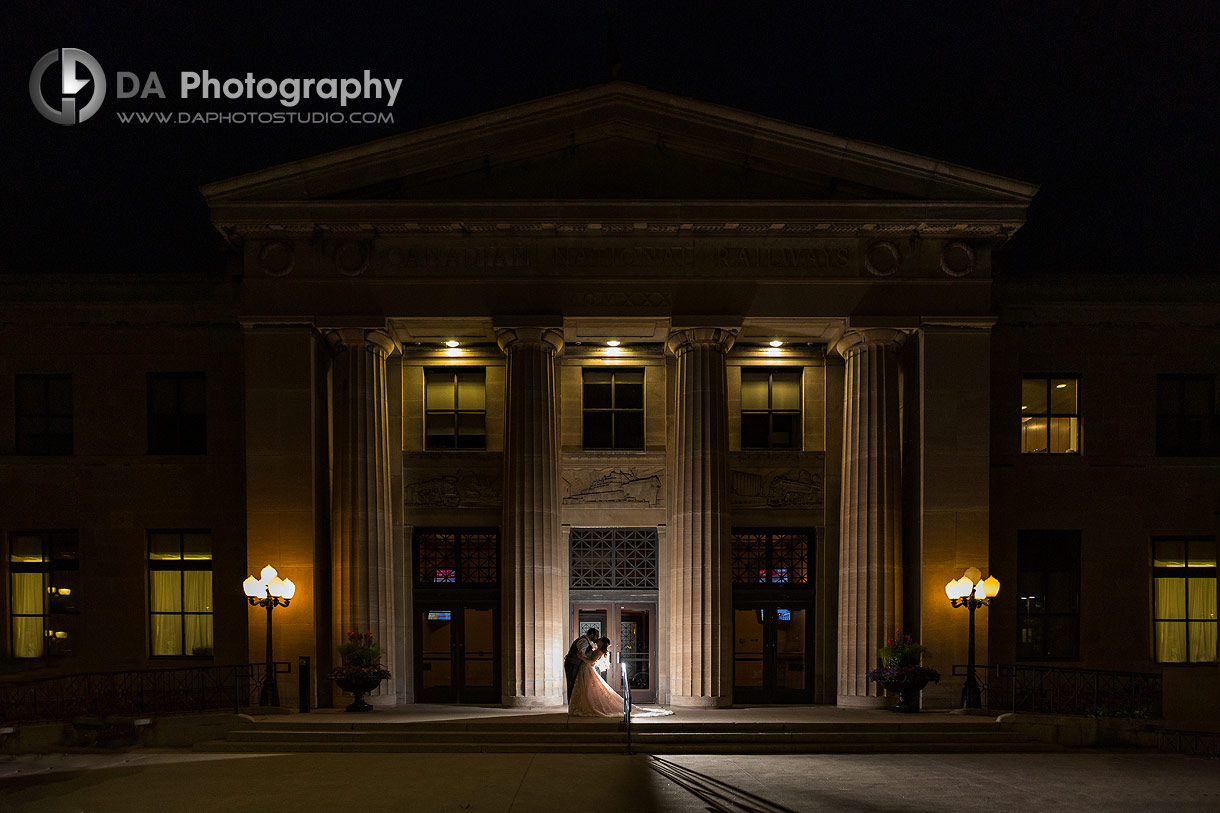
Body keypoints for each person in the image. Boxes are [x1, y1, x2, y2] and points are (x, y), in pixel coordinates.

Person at [568, 638, 673, 718]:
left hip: (587, 670)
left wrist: (580, 656)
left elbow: (591, 662)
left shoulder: (599, 652)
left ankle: (592, 706)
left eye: (600, 639)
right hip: (584, 670)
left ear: (602, 642)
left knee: (592, 690)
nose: (597, 640)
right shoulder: (597, 649)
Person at [564, 628, 599, 701]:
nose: (597, 638)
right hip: (572, 664)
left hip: (575, 664)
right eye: (596, 636)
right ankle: (571, 705)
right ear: (592, 635)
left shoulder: (587, 641)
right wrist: (591, 660)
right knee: (572, 684)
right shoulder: (584, 641)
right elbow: (581, 654)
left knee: (575, 685)